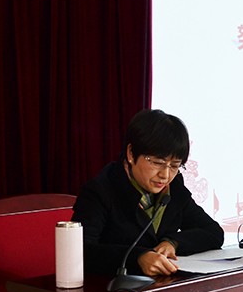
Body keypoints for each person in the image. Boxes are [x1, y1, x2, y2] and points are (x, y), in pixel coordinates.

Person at [71, 109, 224, 278]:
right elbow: (81, 251)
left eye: (174, 166)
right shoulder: (100, 191)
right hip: (111, 287)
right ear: (131, 154)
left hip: (160, 286)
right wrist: (137, 258)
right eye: (157, 163)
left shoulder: (174, 188)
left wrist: (173, 242)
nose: (165, 175)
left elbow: (213, 232)